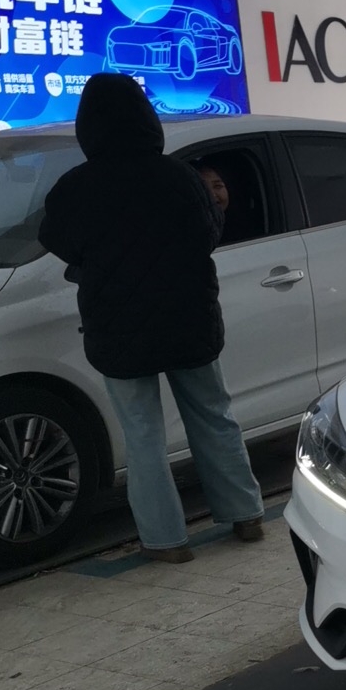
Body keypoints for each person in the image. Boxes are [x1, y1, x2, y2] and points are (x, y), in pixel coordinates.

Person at [38, 74, 264, 563]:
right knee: (214, 417)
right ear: (146, 119)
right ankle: (245, 514)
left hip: (117, 329)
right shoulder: (181, 177)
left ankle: (167, 542)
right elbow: (209, 231)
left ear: (87, 126)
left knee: (143, 436)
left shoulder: (75, 188)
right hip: (190, 318)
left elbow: (56, 240)